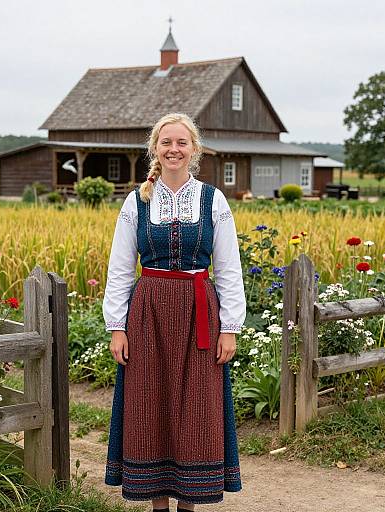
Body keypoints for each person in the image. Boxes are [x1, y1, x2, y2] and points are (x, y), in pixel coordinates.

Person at [103, 112, 246, 511]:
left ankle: (190, 505)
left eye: (182, 143)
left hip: (200, 310)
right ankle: (159, 507)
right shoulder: (136, 201)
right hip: (147, 312)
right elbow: (119, 267)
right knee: (150, 403)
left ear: (194, 149)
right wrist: (117, 326)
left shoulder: (212, 199)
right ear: (155, 148)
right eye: (167, 142)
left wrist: (230, 327)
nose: (174, 149)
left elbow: (229, 267)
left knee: (198, 407)